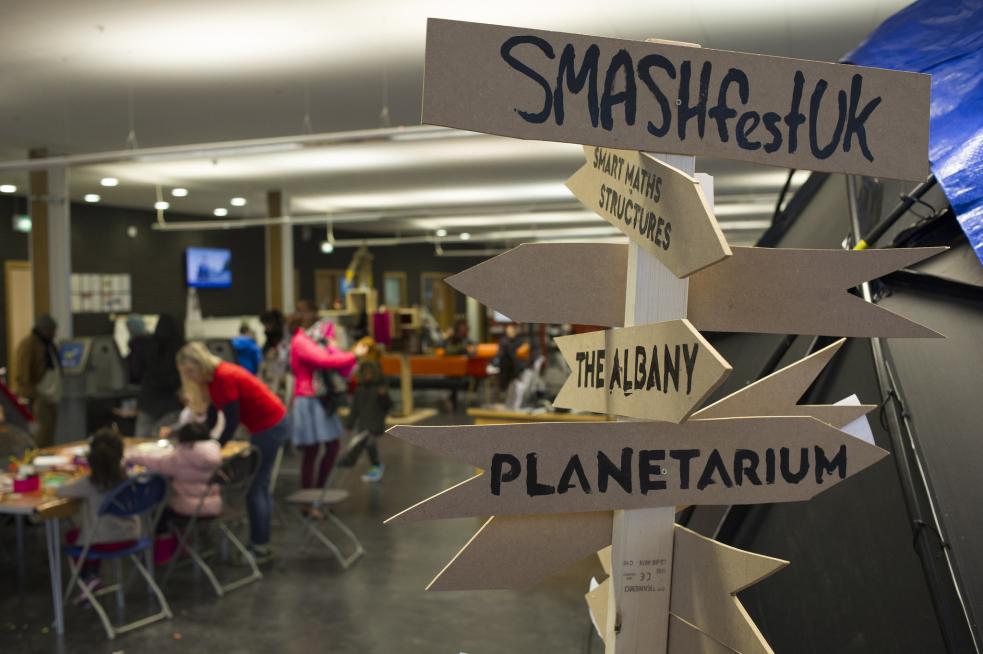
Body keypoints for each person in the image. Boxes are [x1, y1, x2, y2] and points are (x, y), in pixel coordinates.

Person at [176, 342, 288, 563]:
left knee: (256, 487)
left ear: (200, 364)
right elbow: (212, 415)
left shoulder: (224, 376)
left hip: (269, 425)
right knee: (258, 487)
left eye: (191, 372)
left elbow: (231, 419)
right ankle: (259, 542)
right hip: (264, 425)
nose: (190, 378)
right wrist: (198, 439)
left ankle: (260, 547)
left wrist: (214, 447)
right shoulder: (214, 380)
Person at [288, 310, 365, 497]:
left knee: (330, 447)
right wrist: (353, 354)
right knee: (312, 451)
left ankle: (319, 494)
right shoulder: (300, 341)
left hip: (319, 399)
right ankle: (310, 499)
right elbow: (324, 360)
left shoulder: (309, 341)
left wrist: (344, 353)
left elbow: (334, 358)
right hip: (308, 399)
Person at [56, 429, 141, 597]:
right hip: (133, 536)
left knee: (74, 536)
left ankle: (88, 577)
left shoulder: (89, 482)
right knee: (92, 531)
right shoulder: (129, 478)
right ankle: (92, 577)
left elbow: (60, 491)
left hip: (102, 541)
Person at [128, 422, 222, 523]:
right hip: (215, 506)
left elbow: (158, 464)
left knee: (157, 513)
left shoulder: (181, 456)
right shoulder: (215, 453)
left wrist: (132, 457)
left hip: (187, 509)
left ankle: (164, 538)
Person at [345, 339, 391, 483]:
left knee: (369, 443)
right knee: (365, 445)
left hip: (375, 422)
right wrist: (350, 423)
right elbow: (355, 409)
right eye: (365, 372)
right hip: (363, 423)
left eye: (370, 372)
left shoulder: (379, 388)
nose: (367, 374)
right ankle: (375, 466)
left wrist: (383, 397)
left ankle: (376, 465)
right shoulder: (360, 390)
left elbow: (388, 405)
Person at [134, 314, 184, 438]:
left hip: (148, 399)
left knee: (142, 440)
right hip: (172, 400)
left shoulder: (147, 345)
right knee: (168, 440)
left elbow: (136, 371)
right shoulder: (181, 347)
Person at [14, 315, 61, 448]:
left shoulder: (49, 345)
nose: (54, 333)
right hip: (38, 398)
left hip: (51, 397)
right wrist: (29, 394)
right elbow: (24, 374)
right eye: (52, 330)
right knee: (39, 437)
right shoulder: (29, 345)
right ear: (44, 330)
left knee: (48, 436)